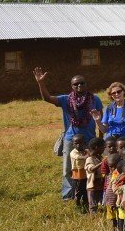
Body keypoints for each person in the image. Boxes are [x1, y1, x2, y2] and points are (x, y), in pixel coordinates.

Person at [33, 67, 103, 200]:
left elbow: (101, 119)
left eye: (82, 83)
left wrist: (100, 140)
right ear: (71, 86)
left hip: (90, 139)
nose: (79, 85)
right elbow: (47, 98)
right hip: (71, 139)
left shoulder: (95, 99)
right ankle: (68, 195)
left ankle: (90, 194)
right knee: (68, 168)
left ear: (86, 84)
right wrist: (41, 83)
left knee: (91, 167)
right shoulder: (66, 100)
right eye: (76, 84)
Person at [98, 82, 125, 152]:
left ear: (123, 92)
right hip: (112, 145)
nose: (116, 94)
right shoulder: (109, 108)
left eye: (119, 91)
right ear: (111, 95)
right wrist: (97, 121)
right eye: (113, 93)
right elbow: (104, 130)